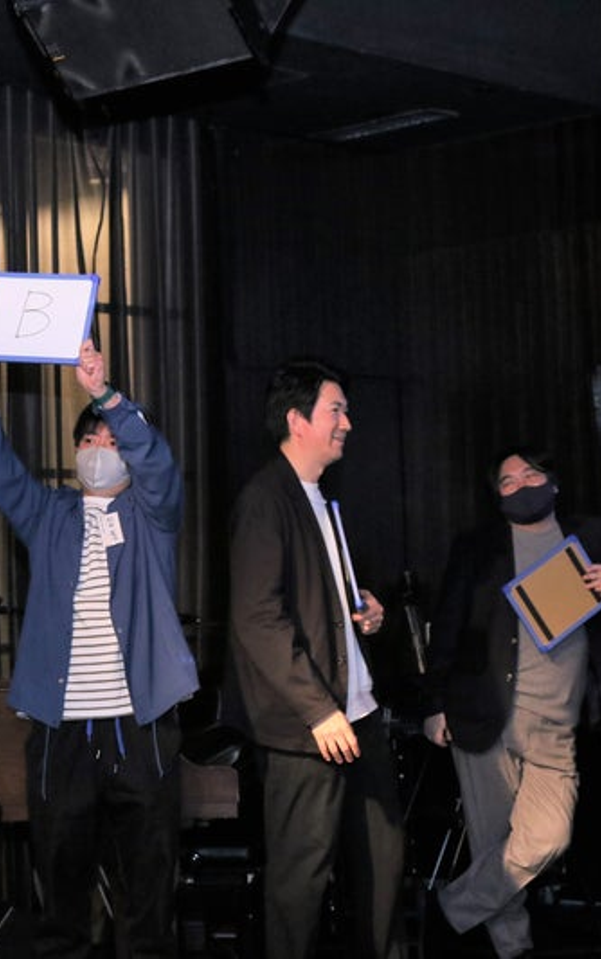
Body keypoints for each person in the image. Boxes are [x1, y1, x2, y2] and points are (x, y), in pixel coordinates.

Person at [0, 329, 199, 959]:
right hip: (61, 731)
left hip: (139, 724)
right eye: (89, 440)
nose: (99, 450)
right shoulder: (50, 515)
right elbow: (0, 471)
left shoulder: (152, 516)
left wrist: (106, 396)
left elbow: (159, 467)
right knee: (60, 902)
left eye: (112, 442)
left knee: (148, 900)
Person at [421, 446, 601, 958]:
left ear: (553, 483)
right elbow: (446, 628)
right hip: (482, 715)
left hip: (556, 724)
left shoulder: (591, 536)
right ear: (497, 496)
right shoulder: (477, 546)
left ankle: (450, 909)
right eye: (507, 481)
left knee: (548, 837)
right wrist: (434, 705)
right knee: (493, 843)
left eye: (530, 474)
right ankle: (514, 948)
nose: (520, 485)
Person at [226, 358, 402, 958]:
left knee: (381, 864)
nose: (347, 423)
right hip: (309, 728)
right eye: (336, 410)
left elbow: (318, 602)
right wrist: (318, 709)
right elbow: (257, 618)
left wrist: (364, 611)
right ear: (297, 420)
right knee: (300, 883)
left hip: (357, 714)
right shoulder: (264, 499)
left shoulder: (321, 500)